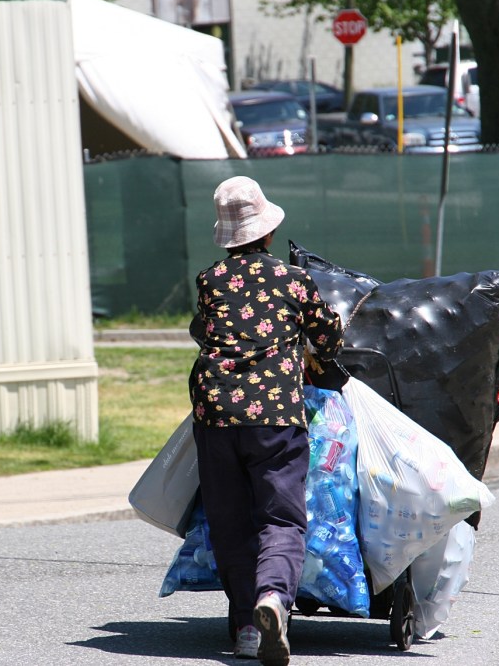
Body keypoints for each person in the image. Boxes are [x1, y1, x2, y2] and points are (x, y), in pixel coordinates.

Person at [188, 176, 344, 665]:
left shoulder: (211, 280)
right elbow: (329, 336)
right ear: (269, 232)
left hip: (216, 414)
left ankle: (246, 631)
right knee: (280, 517)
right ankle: (273, 598)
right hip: (275, 417)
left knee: (230, 522)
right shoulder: (293, 280)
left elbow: (203, 330)